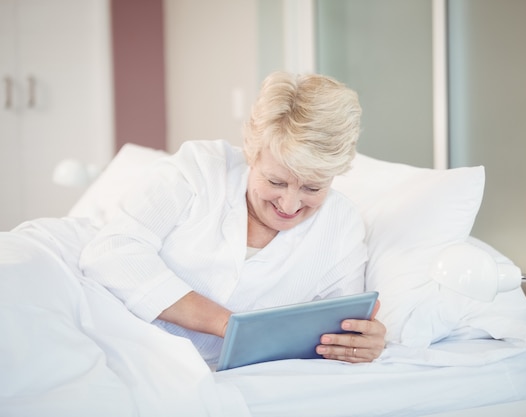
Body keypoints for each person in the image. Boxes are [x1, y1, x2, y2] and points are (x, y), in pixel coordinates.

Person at [79, 71, 386, 365]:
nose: (290, 204)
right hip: (117, 343)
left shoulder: (340, 224)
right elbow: (111, 253)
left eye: (312, 187)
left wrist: (360, 343)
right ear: (252, 153)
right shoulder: (199, 170)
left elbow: (339, 323)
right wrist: (227, 324)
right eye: (276, 182)